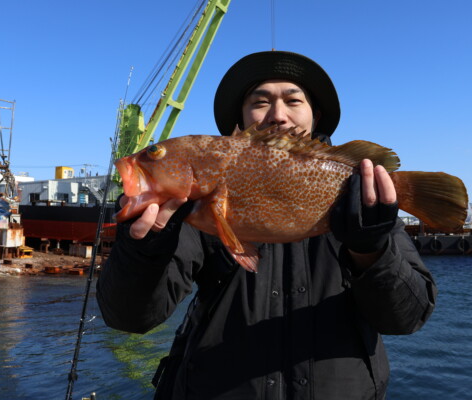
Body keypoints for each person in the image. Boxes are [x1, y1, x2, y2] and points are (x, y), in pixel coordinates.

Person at [97, 51, 437, 400]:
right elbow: (129, 318)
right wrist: (144, 250)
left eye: (293, 100)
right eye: (260, 102)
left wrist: (372, 250)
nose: (278, 114)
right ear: (242, 120)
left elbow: (406, 319)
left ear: (315, 115)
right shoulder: (188, 215)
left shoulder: (364, 204)